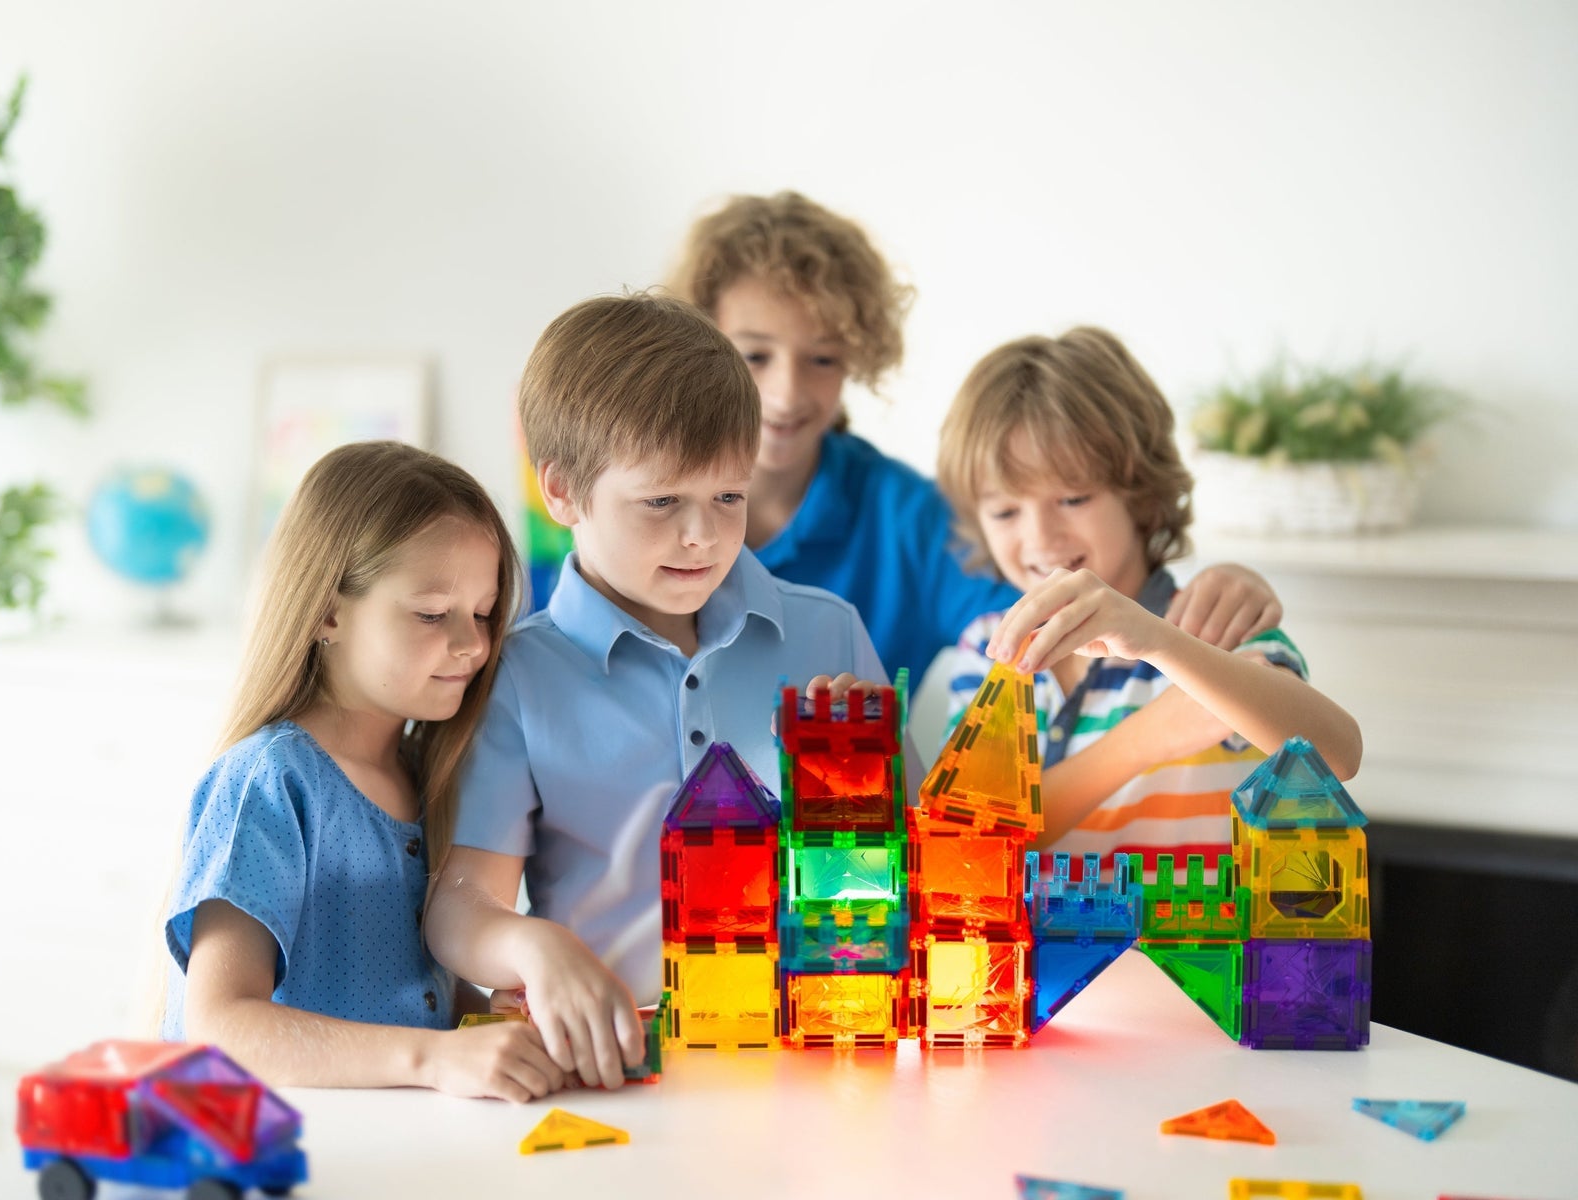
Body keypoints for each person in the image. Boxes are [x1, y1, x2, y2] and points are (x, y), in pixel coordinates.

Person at [424, 292, 885, 1090]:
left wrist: (855, 787)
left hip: (820, 1060)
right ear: (562, 491)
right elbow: (462, 906)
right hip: (617, 1074)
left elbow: (913, 868)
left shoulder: (830, 633)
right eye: (662, 501)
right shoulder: (516, 676)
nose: (701, 535)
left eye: (728, 497)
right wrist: (535, 949)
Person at [668, 190, 1284, 689]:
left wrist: (1226, 584)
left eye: (823, 359)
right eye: (754, 355)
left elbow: (1067, 590)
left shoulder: (909, 519)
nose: (784, 394)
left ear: (859, 356)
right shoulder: (635, 495)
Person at [160, 441, 566, 1102]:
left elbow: (405, 1001)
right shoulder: (270, 780)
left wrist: (489, 1025)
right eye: (431, 614)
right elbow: (220, 1026)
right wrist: (437, 1058)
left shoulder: (427, 775)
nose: (473, 644)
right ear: (328, 612)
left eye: (483, 614)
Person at [935, 327, 1362, 869]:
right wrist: (1147, 737)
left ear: (1139, 494)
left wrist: (1163, 643)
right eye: (1005, 511)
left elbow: (1339, 755)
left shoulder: (1214, 625)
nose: (1040, 536)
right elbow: (965, 847)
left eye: (1073, 498)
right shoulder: (985, 648)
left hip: (1187, 928)